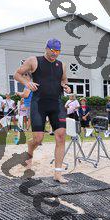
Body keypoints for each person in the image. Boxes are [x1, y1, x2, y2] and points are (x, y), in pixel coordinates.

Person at [14, 39, 71, 183]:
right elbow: (17, 74)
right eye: (52, 50)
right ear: (46, 48)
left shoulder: (62, 65)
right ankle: (30, 148)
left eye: (57, 51)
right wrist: (27, 82)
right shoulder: (34, 61)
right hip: (39, 104)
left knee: (61, 135)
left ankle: (58, 173)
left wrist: (66, 86)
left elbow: (63, 80)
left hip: (56, 104)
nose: (54, 53)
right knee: (38, 139)